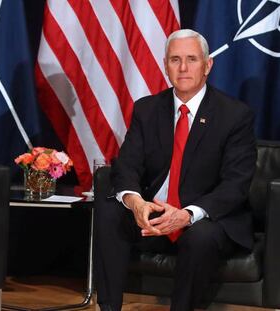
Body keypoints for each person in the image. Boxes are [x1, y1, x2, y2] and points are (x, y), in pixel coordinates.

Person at [94, 29, 256, 311]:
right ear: (165, 65)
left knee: (200, 235)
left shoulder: (234, 115)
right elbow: (127, 166)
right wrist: (136, 203)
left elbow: (235, 185)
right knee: (110, 212)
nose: (183, 68)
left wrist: (186, 215)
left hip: (206, 218)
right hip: (154, 212)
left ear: (207, 65)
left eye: (192, 59)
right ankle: (109, 308)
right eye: (175, 60)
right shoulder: (147, 109)